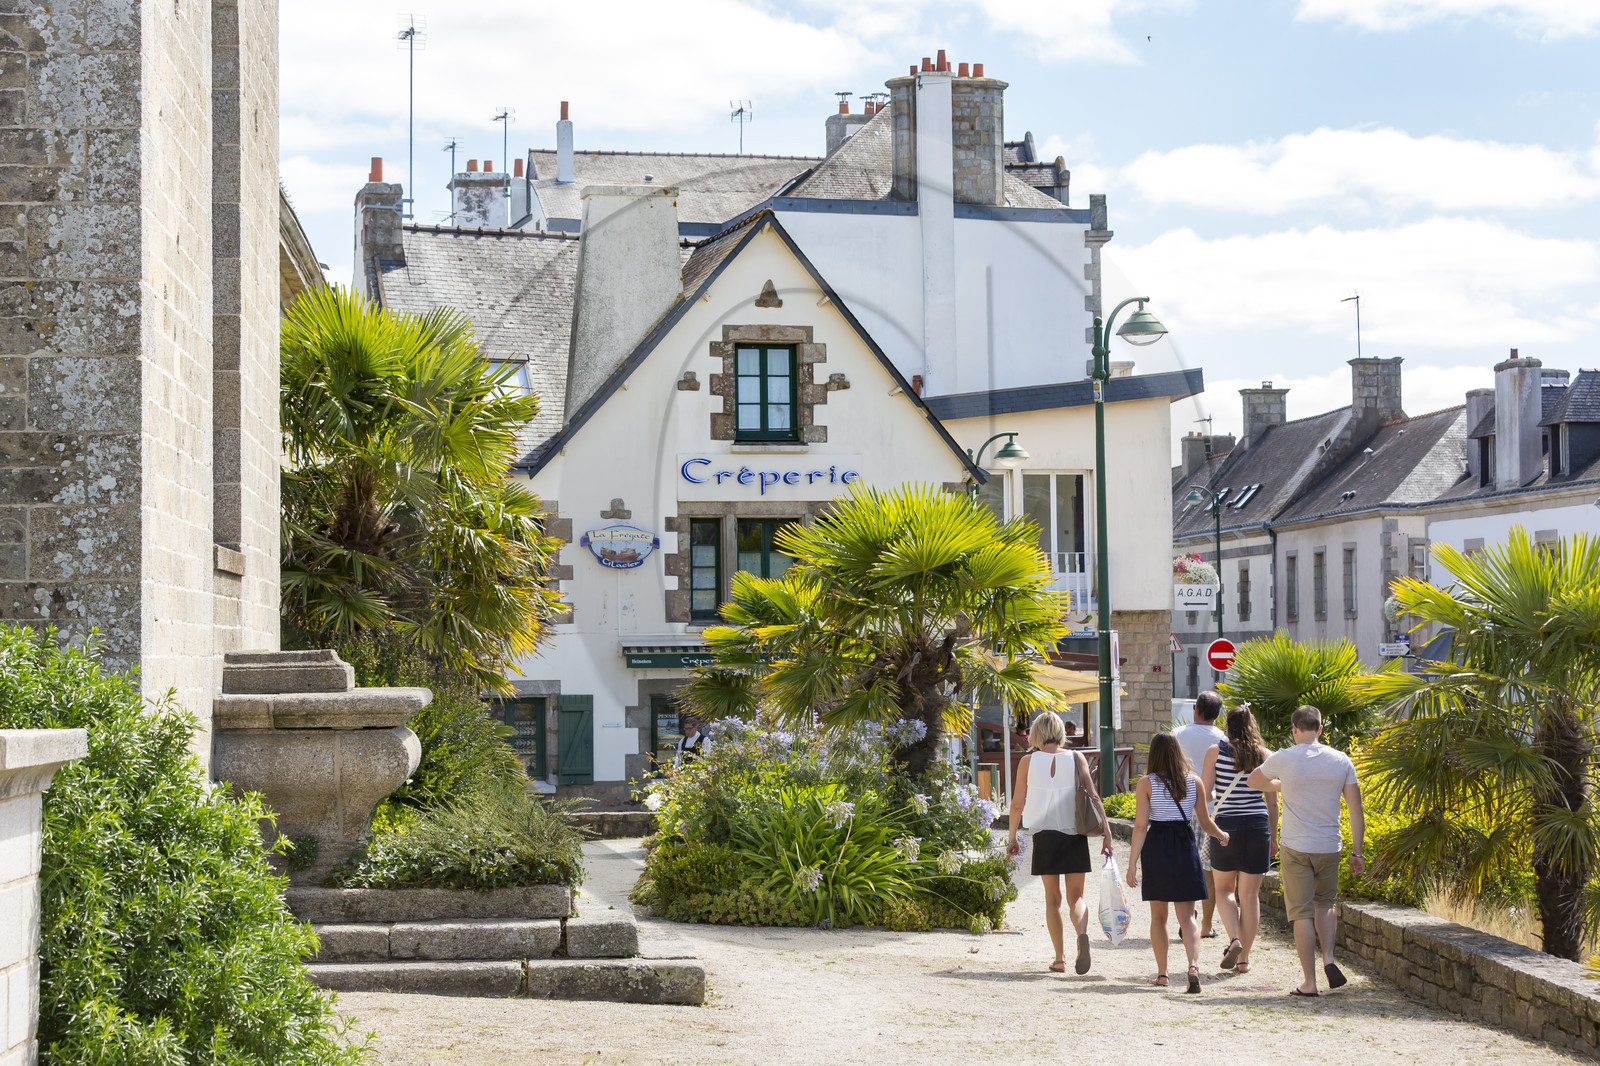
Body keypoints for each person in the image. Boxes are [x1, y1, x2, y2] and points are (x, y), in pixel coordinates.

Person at [1248, 705, 1364, 998]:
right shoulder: (1341, 760)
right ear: (1320, 730)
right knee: (1325, 904)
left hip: (1296, 845)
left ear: (1294, 729)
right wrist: (1358, 852)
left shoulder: (1285, 757)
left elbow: (1253, 781)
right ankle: (1328, 958)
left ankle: (1309, 983)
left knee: (1302, 912)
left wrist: (1281, 783)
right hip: (1329, 845)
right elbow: (1356, 809)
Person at [1007, 711, 1113, 975]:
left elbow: (1017, 804)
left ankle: (1059, 958)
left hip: (1045, 834)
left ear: (1036, 734)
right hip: (1074, 832)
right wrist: (1107, 833)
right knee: (1076, 897)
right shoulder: (1076, 758)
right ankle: (1082, 935)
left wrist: (1012, 838)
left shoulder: (1028, 762)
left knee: (1052, 899)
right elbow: (1094, 796)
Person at [1126, 732, 1229, 993]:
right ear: (1177, 753)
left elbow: (1140, 827)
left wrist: (1132, 864)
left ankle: (1162, 974)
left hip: (1157, 846)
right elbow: (1205, 823)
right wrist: (1222, 835)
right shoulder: (1194, 782)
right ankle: (1193, 967)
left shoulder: (1146, 784)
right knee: (1188, 917)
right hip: (1184, 845)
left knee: (1159, 917)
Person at [1201, 704, 1278, 974]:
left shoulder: (1215, 752)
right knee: (1250, 895)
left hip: (1225, 827)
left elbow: (1206, 793)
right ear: (1251, 725)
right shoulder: (1264, 755)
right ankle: (1244, 959)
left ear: (1227, 725)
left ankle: (1233, 939)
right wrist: (1274, 837)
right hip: (1257, 827)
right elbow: (1272, 803)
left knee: (1224, 891)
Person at [1172, 690, 1227, 939]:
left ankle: (1187, 922)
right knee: (1208, 869)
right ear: (1218, 714)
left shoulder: (1177, 735)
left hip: (1181, 808)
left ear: (1196, 709)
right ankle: (1206, 925)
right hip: (1213, 809)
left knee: (1184, 865)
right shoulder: (1223, 740)